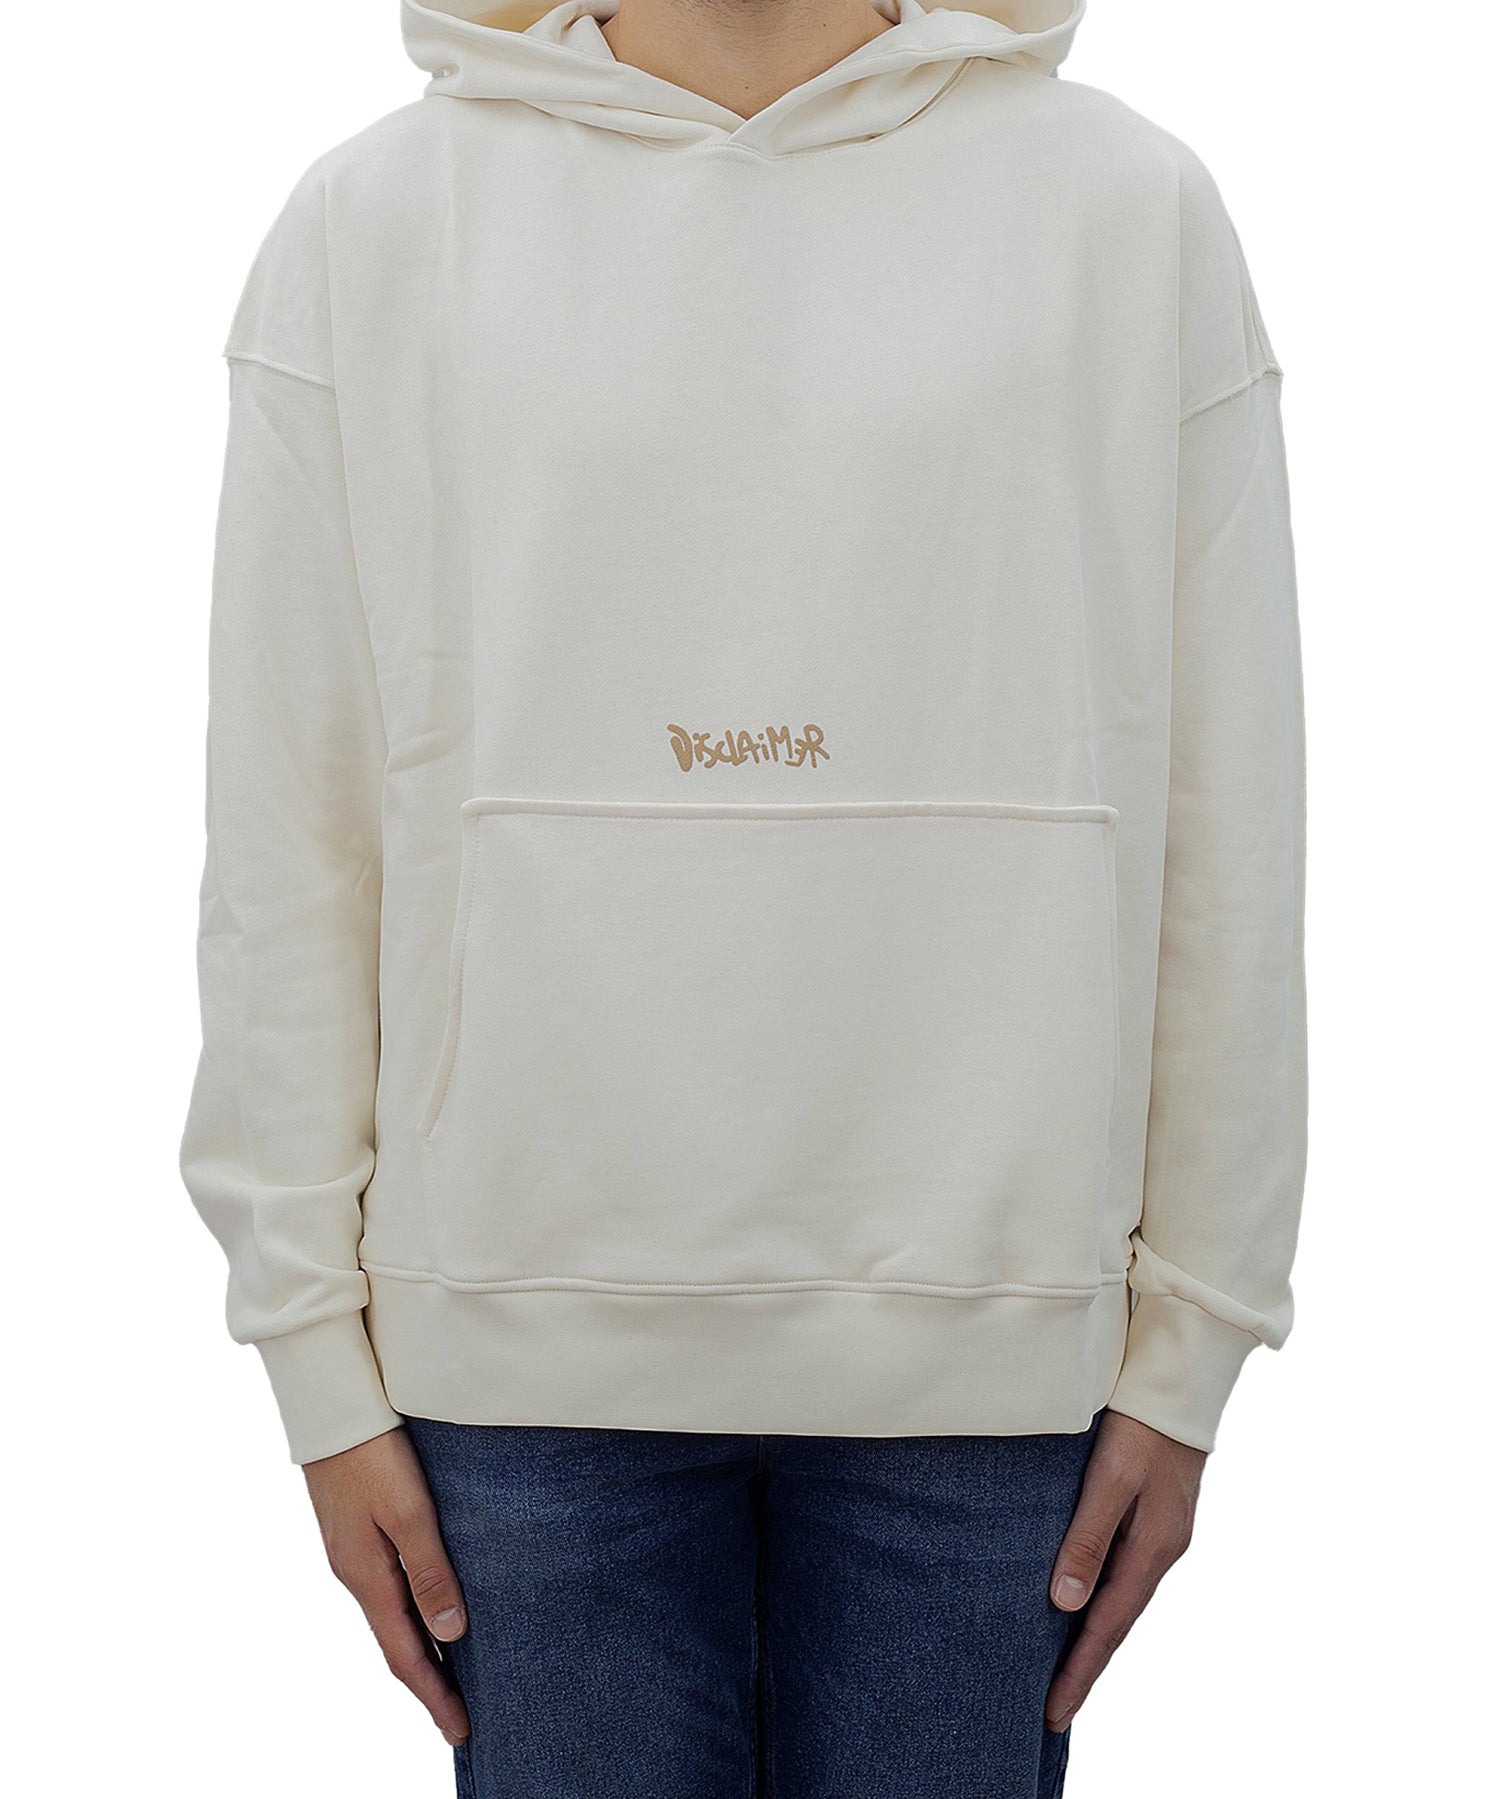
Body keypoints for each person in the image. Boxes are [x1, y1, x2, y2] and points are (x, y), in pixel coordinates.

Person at [179, 1, 1308, 1793]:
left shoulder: (1125, 211)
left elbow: (1230, 818)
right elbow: (291, 839)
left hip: (996, 1359)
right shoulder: (378, 222)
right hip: (520, 1368)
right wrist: (310, 1354)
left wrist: (1196, 1343)